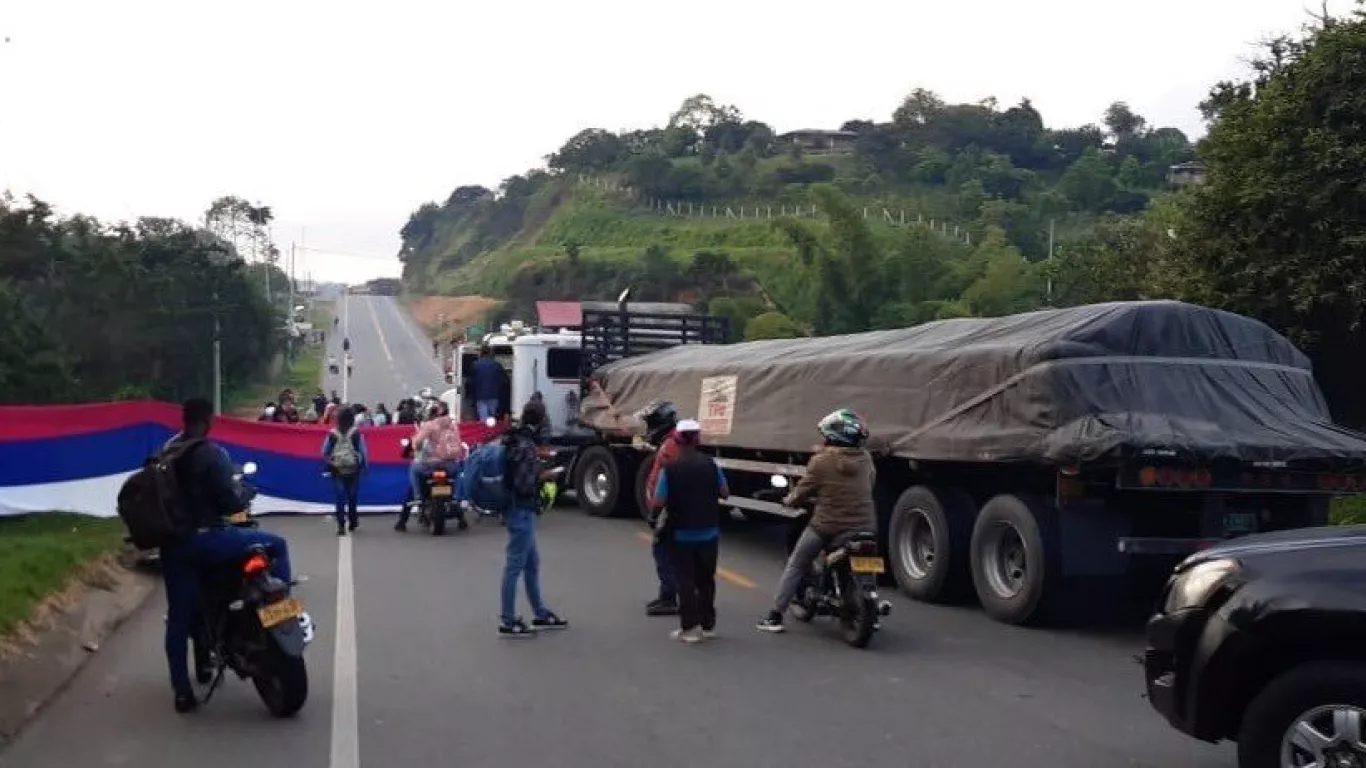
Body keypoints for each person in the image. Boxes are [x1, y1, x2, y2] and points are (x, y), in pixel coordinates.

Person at [159, 398, 294, 713]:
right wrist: (242, 495)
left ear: (184, 419)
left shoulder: (167, 452)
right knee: (278, 544)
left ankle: (181, 691)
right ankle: (282, 610)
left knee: (178, 618)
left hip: (176, 547)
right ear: (207, 421)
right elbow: (230, 504)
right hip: (211, 540)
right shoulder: (210, 454)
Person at [757, 409, 875, 634]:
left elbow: (801, 492)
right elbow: (870, 484)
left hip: (827, 525)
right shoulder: (866, 459)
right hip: (865, 524)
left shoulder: (820, 462)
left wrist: (788, 501)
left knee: (797, 563)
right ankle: (871, 610)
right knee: (867, 565)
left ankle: (775, 616)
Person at [651, 419, 729, 644]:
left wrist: (653, 518)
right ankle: (708, 625)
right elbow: (725, 492)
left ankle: (689, 628)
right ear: (697, 439)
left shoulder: (671, 469)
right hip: (709, 532)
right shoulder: (711, 464)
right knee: (706, 580)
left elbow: (659, 500)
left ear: (676, 439)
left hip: (681, 533)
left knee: (685, 580)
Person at [498, 401, 568, 637]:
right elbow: (525, 483)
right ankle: (507, 620)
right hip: (522, 510)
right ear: (539, 420)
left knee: (531, 564)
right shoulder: (526, 445)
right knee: (514, 567)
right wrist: (545, 475)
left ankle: (540, 612)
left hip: (514, 508)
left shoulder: (513, 439)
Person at [639, 400, 682, 616]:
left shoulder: (670, 446)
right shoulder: (674, 442)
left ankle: (669, 597)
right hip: (678, 509)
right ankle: (670, 595)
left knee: (663, 550)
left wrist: (655, 513)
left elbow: (665, 483)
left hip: (670, 509)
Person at [397, 402, 468, 532]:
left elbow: (417, 442)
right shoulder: (452, 425)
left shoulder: (430, 425)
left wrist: (415, 447)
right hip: (449, 464)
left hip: (430, 464)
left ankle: (418, 498)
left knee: (414, 470)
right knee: (458, 472)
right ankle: (456, 499)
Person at [322, 407, 368, 536]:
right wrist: (365, 466)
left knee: (340, 498)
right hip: (353, 470)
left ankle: (341, 525)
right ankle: (353, 521)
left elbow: (324, 451)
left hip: (337, 469)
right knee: (352, 497)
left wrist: (329, 462)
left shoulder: (332, 434)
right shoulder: (356, 433)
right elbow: (363, 451)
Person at [471, 346, 503, 421]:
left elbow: (472, 381)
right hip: (494, 395)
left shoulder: (475, 365)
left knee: (484, 419)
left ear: (481, 353)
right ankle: (491, 431)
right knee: (492, 417)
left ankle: (485, 431)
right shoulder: (497, 365)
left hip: (480, 396)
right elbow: (502, 381)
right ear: (490, 353)